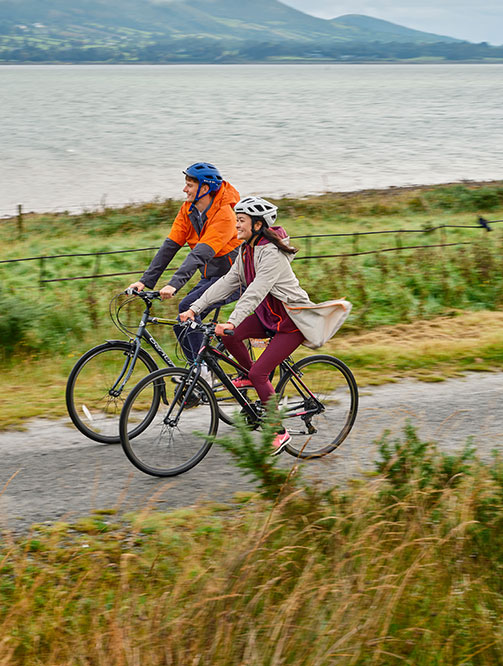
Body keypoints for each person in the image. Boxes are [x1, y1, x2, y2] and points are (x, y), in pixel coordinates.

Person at [179, 196, 352, 455]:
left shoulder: (272, 254)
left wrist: (231, 320)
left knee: (260, 372)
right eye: (237, 219)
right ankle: (249, 377)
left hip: (290, 323)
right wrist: (195, 308)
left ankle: (278, 431)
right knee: (231, 338)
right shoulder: (247, 249)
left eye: (241, 221)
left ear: (258, 225)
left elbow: (256, 291)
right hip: (267, 317)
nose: (236, 225)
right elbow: (228, 281)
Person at [127, 162, 241, 362]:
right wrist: (145, 281)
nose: (184, 189)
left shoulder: (225, 215)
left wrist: (173, 285)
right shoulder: (189, 209)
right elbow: (170, 246)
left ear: (205, 188)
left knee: (187, 307)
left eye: (190, 185)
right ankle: (195, 372)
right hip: (212, 276)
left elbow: (199, 254)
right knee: (182, 324)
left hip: (235, 277)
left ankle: (202, 372)